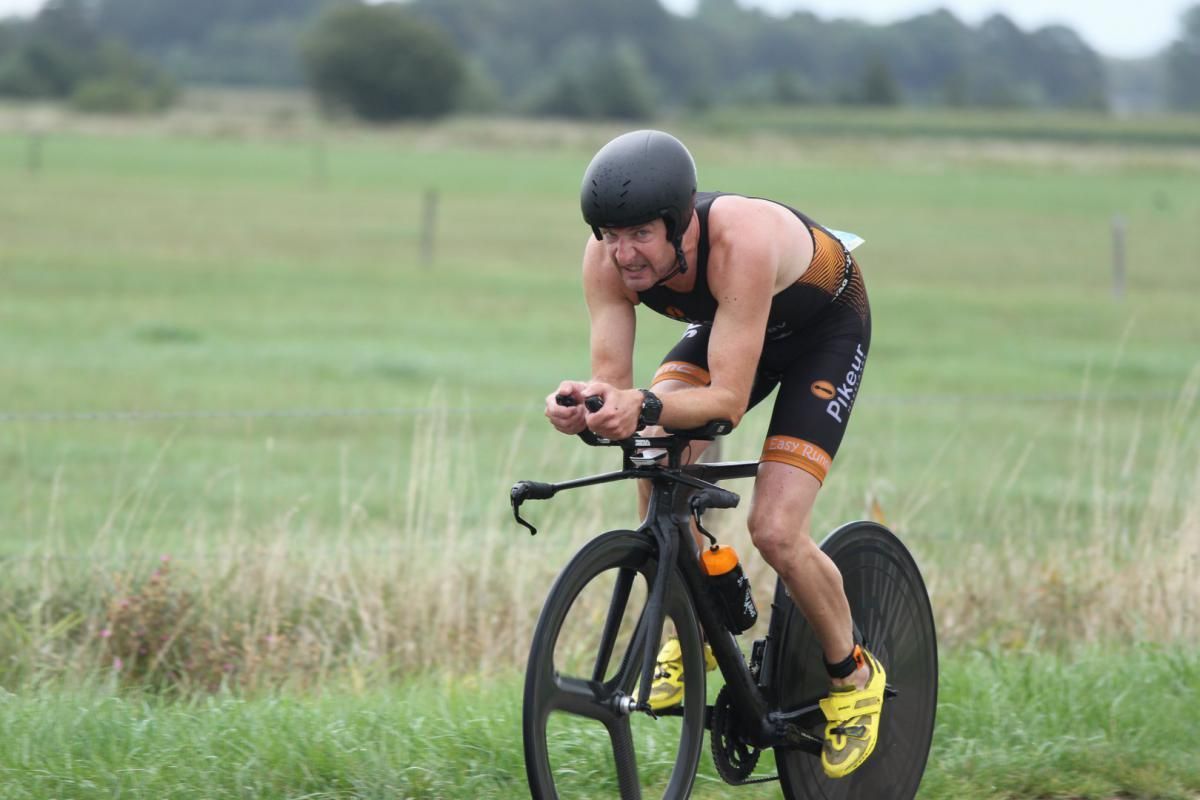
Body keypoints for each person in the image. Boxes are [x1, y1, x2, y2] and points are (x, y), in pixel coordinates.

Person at [544, 129, 884, 779]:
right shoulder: (606, 260)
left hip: (823, 332)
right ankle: (693, 629)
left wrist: (639, 404)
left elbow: (725, 401)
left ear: (679, 226)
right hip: (736, 325)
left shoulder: (739, 241)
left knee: (775, 530)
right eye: (608, 234)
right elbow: (616, 391)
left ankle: (854, 675)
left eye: (640, 233)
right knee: (650, 448)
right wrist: (584, 407)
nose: (623, 253)